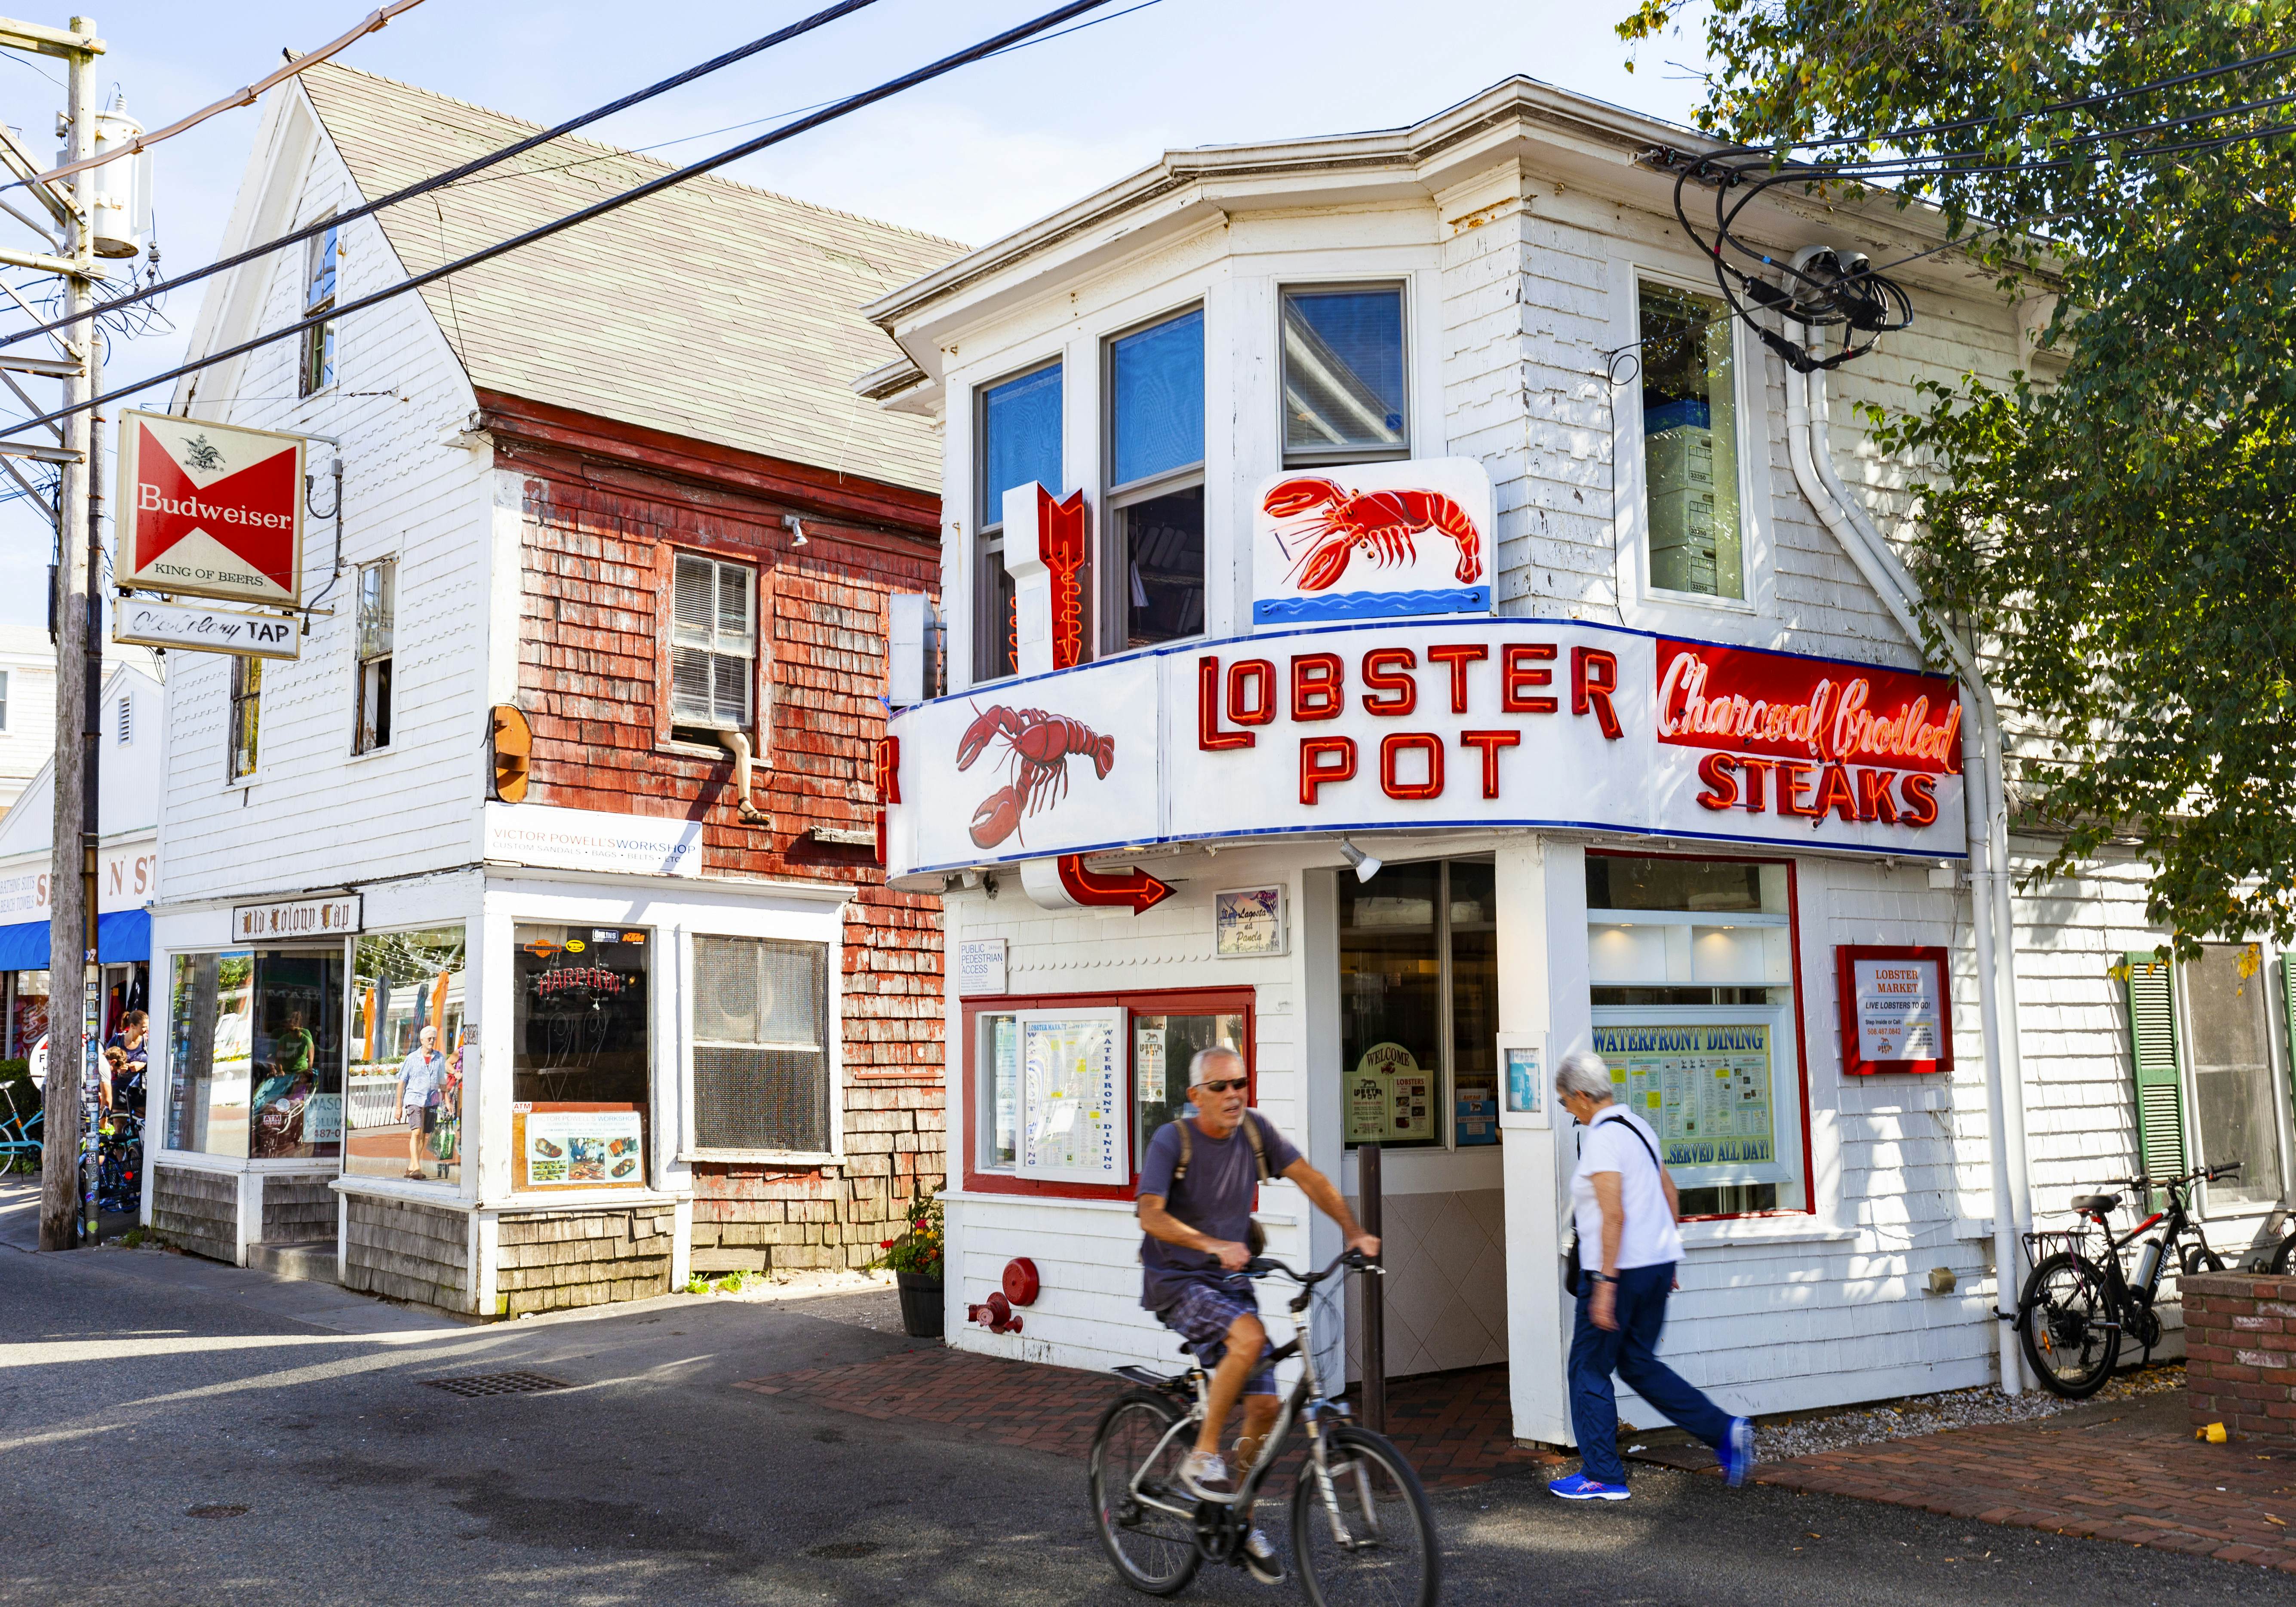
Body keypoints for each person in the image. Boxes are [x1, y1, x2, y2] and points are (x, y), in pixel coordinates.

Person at [1135, 1044, 1379, 1586]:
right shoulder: (1170, 1140)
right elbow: (1148, 1213)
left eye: (1239, 1083)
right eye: (1219, 1086)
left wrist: (1354, 1230)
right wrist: (1209, 1243)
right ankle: (1201, 1455)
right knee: (1248, 1340)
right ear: (1194, 1094)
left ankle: (1240, 1521)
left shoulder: (1254, 1132)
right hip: (1177, 1279)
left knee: (1266, 1404)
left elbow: (1311, 1177)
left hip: (1230, 1279)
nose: (1232, 1094)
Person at [1549, 1049, 1754, 1501]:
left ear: (1583, 1096)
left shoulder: (1602, 1138)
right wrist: (1667, 1257)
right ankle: (1725, 1431)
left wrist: (1604, 1285)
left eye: (1565, 1101)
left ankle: (1602, 1474)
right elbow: (1669, 1191)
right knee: (1637, 1362)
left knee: (1587, 1366)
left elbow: (1613, 1215)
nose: (1567, 1109)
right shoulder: (1638, 1126)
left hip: (1616, 1271)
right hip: (1655, 1265)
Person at [396, 1025, 447, 1179]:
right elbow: (401, 1083)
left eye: (434, 1039)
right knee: (416, 1132)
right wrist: (398, 1107)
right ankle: (417, 1166)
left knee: (424, 1134)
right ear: (422, 1040)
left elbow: (441, 1080)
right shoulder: (412, 1058)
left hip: (431, 1100)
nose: (432, 1041)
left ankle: (412, 1167)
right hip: (414, 1099)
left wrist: (447, 1100)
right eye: (429, 1039)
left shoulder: (439, 1058)